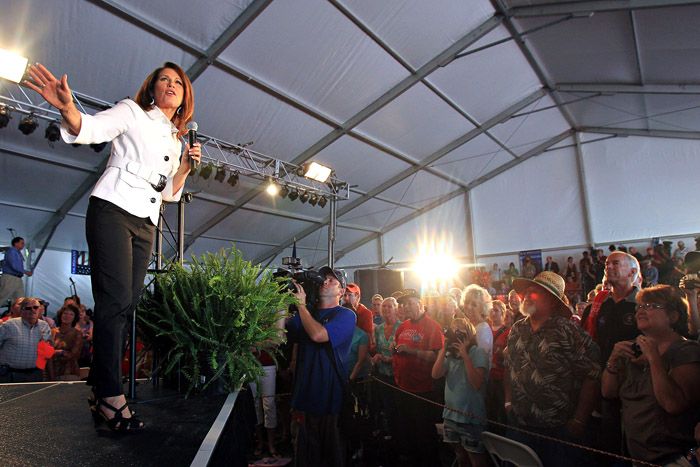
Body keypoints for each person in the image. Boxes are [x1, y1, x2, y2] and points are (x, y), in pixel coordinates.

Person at [27, 61, 200, 431]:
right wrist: (67, 107)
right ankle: (111, 396)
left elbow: (169, 193)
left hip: (146, 220)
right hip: (113, 208)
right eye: (164, 80)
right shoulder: (133, 112)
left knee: (125, 306)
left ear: (185, 96)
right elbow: (90, 128)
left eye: (177, 82)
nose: (170, 85)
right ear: (152, 88)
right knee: (115, 301)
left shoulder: (176, 140)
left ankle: (98, 390)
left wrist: (185, 167)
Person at [505, 272, 601, 467]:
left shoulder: (568, 331)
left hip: (558, 429)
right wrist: (508, 402)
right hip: (519, 424)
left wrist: (579, 421)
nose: (528, 295)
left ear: (553, 301)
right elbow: (509, 366)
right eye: (527, 291)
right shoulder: (517, 329)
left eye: (536, 292)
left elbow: (592, 375)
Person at [602, 285, 700, 465]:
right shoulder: (633, 348)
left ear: (673, 316)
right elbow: (609, 393)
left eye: (650, 306)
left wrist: (654, 358)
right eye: (639, 306)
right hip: (634, 458)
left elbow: (673, 404)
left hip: (674, 459)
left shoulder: (687, 351)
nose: (640, 312)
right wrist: (613, 362)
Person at [285, 267, 355, 467]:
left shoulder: (346, 315)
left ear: (342, 292)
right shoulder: (305, 313)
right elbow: (277, 336)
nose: (325, 282)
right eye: (324, 279)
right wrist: (283, 303)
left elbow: (318, 335)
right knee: (304, 460)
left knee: (333, 460)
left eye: (332, 281)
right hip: (303, 402)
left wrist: (301, 307)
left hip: (332, 403)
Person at [392, 289, 444, 467]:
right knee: (408, 430)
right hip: (402, 387)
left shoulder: (433, 326)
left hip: (423, 390)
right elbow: (397, 344)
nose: (405, 307)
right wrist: (394, 348)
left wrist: (412, 350)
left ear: (421, 304)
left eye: (409, 303)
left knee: (424, 433)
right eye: (403, 304)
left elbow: (436, 356)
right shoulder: (403, 326)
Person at [432, 318, 488, 467]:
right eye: (454, 329)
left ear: (469, 334)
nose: (455, 332)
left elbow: (477, 383)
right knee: (461, 458)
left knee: (476, 459)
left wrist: (464, 355)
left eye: (460, 329)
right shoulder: (450, 354)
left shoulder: (477, 352)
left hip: (471, 418)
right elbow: (435, 374)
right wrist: (443, 350)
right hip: (451, 416)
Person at [0, 297, 53, 383]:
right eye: (28, 308)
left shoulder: (44, 326)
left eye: (35, 307)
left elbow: (48, 352)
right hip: (10, 374)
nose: (32, 310)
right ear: (21, 310)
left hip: (35, 374)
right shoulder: (9, 325)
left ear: (40, 309)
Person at [371, 297, 401, 437]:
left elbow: (404, 354)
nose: (386, 309)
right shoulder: (378, 329)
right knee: (388, 408)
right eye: (384, 306)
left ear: (396, 309)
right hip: (383, 375)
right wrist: (376, 357)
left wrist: (386, 359)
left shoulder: (402, 327)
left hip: (398, 375)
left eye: (390, 306)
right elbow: (378, 349)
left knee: (400, 408)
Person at [485, 300, 509, 434]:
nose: (493, 313)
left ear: (502, 313)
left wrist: (498, 351)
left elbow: (509, 356)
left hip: (500, 377)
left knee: (500, 409)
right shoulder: (484, 329)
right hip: (486, 375)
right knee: (489, 409)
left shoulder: (508, 332)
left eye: (496, 310)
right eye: (491, 310)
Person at [460, 285, 493, 369]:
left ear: (483, 308)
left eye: (474, 304)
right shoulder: (468, 325)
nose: (469, 307)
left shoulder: (482, 331)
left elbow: (477, 363)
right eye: (466, 302)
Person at [51, 304, 83, 381]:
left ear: (74, 318)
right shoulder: (52, 332)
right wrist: (62, 352)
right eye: (65, 313)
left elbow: (73, 355)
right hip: (52, 372)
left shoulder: (77, 333)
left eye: (71, 314)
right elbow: (46, 352)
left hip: (69, 372)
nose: (67, 316)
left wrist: (58, 352)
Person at [0, 237, 33, 307]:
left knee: (19, 300)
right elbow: (14, 266)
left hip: (17, 278)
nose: (23, 245)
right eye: (22, 243)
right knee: (3, 297)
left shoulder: (17, 253)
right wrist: (25, 272)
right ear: (16, 244)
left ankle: (17, 312)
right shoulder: (12, 252)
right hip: (10, 277)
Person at [344, 283, 374, 348]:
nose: (346, 298)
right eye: (345, 295)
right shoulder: (341, 312)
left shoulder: (365, 313)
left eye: (350, 295)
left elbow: (367, 338)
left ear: (357, 297)